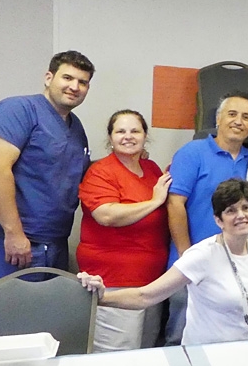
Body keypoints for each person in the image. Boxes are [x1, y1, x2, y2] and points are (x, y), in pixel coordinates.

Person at [78, 179, 248, 346]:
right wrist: (100, 298)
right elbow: (145, 296)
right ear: (218, 220)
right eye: (231, 210)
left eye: (246, 208)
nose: (241, 215)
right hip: (206, 354)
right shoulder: (202, 255)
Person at [0, 50, 95, 284]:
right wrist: (13, 233)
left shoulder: (76, 129)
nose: (74, 86)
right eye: (67, 78)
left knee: (44, 318)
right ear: (49, 78)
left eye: (82, 82)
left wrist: (130, 156)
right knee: (6, 315)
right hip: (9, 242)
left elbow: (73, 173)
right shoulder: (18, 110)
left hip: (54, 244)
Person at [164, 91, 248, 345]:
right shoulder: (192, 153)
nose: (239, 121)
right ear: (218, 119)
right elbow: (175, 204)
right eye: (232, 114)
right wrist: (186, 255)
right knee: (180, 338)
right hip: (192, 266)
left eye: (246, 117)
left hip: (234, 269)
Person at [77, 110, 172, 351]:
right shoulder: (101, 171)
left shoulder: (151, 169)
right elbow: (106, 215)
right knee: (116, 354)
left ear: (145, 136)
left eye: (134, 131)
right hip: (114, 281)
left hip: (151, 282)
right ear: (110, 138)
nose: (128, 137)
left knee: (145, 351)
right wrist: (153, 202)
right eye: (120, 131)